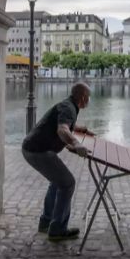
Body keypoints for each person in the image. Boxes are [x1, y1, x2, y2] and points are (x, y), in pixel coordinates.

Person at [21, 82, 95, 241]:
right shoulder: (69, 108)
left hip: (32, 148)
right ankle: (57, 230)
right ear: (82, 97)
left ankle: (46, 223)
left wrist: (78, 129)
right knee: (67, 183)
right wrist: (76, 143)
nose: (89, 100)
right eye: (88, 97)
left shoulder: (68, 105)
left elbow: (64, 125)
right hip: (38, 151)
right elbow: (62, 129)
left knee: (57, 182)